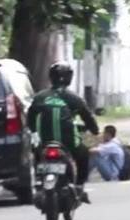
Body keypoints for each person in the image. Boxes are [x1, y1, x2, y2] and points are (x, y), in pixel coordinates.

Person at [27, 61, 99, 202]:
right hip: (68, 142)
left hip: (44, 141)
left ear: (51, 77)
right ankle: (79, 186)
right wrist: (94, 130)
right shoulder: (74, 99)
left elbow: (30, 117)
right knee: (83, 155)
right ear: (69, 78)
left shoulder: (40, 97)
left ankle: (38, 181)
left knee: (36, 156)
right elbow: (88, 118)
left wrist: (34, 134)